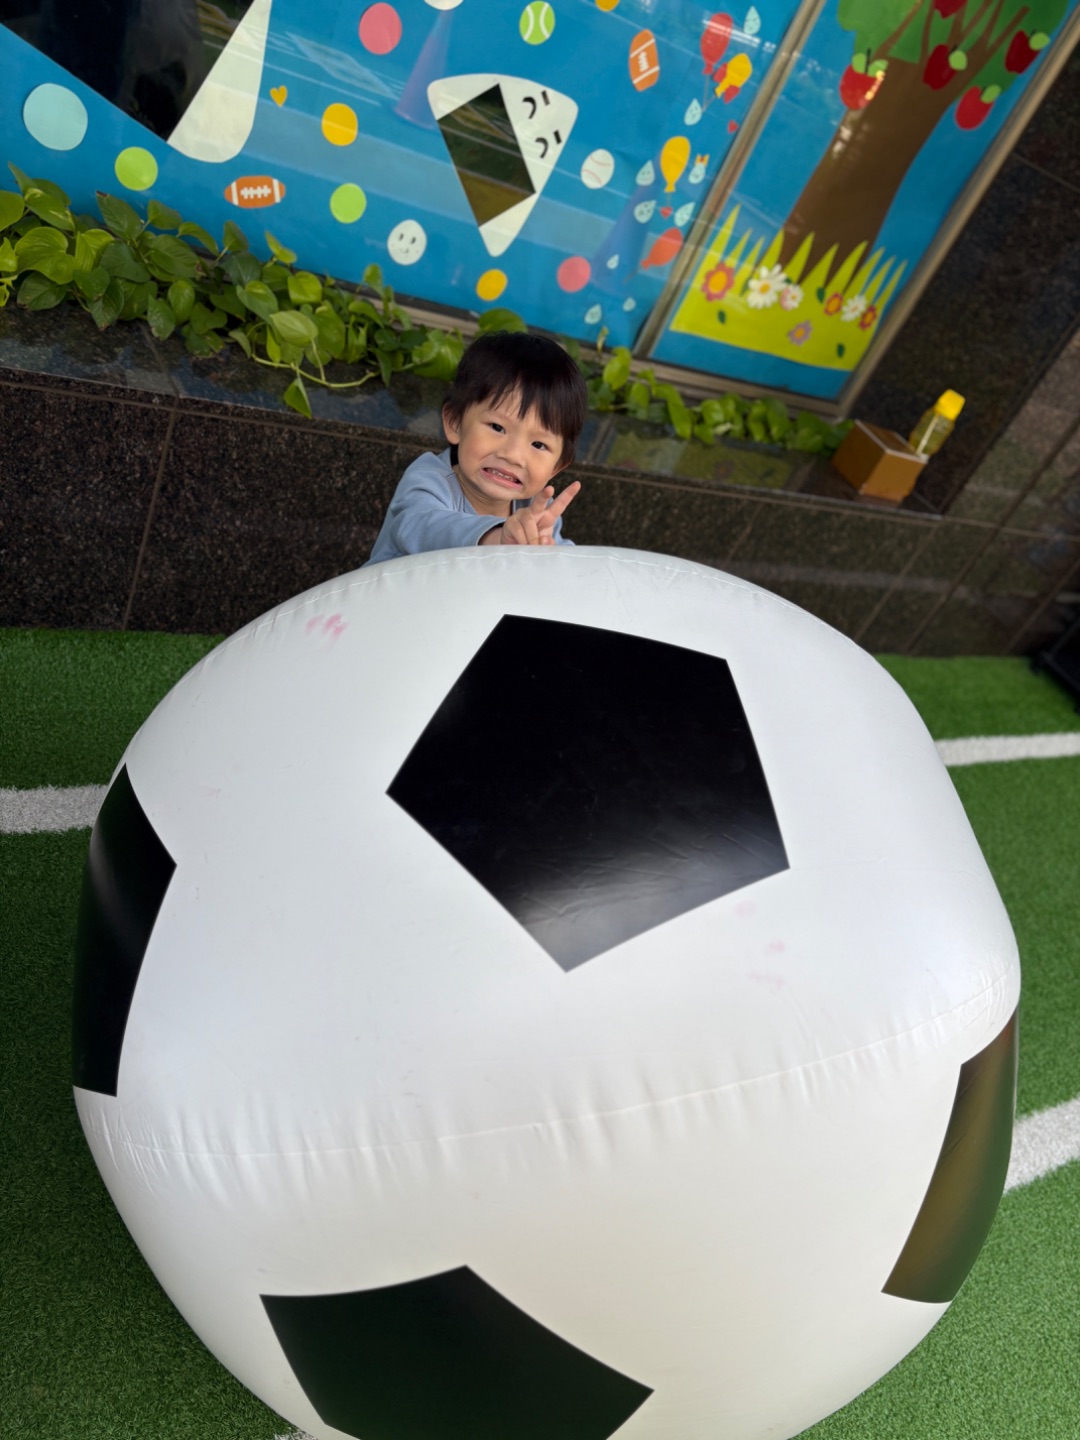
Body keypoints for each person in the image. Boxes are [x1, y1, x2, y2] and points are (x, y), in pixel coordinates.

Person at [366, 331, 587, 563]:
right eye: (497, 427)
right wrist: (496, 536)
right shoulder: (430, 482)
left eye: (538, 444)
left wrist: (550, 553)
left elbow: (567, 567)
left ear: (557, 466)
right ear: (455, 422)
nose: (513, 455)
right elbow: (421, 527)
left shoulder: (536, 513)